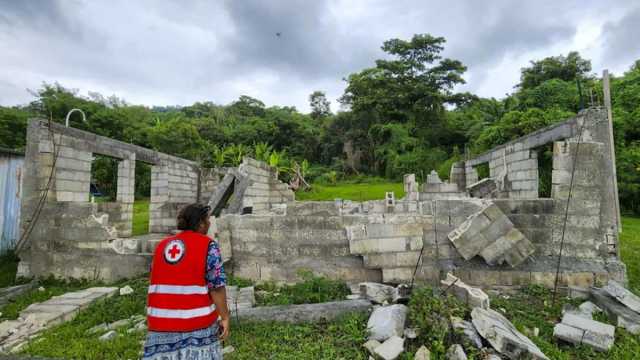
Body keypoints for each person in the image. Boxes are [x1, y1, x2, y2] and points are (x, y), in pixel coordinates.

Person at [142, 203, 230, 359]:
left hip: (159, 324)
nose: (210, 223)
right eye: (207, 220)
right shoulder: (208, 246)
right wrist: (224, 317)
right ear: (201, 224)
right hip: (196, 325)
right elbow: (216, 287)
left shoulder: (162, 246)